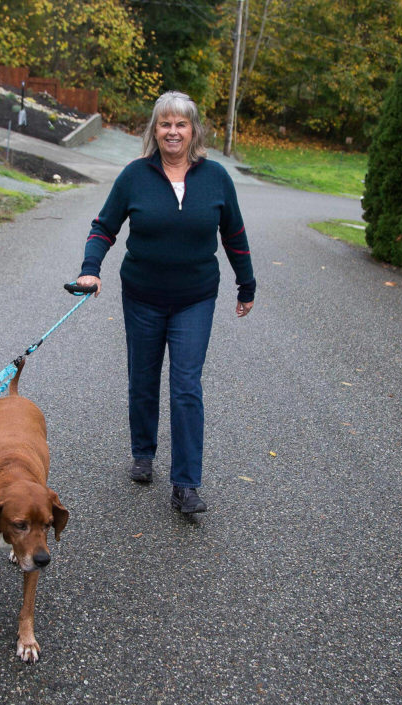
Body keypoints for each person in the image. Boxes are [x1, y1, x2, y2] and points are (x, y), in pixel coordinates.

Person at [75, 91, 255, 515]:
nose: (172, 131)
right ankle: (143, 453)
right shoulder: (135, 176)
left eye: (181, 124)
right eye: (164, 124)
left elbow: (235, 235)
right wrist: (90, 268)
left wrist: (246, 285)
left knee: (186, 387)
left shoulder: (216, 178)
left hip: (195, 297)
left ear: (194, 130)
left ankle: (186, 485)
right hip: (143, 295)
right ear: (154, 130)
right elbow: (104, 227)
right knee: (143, 377)